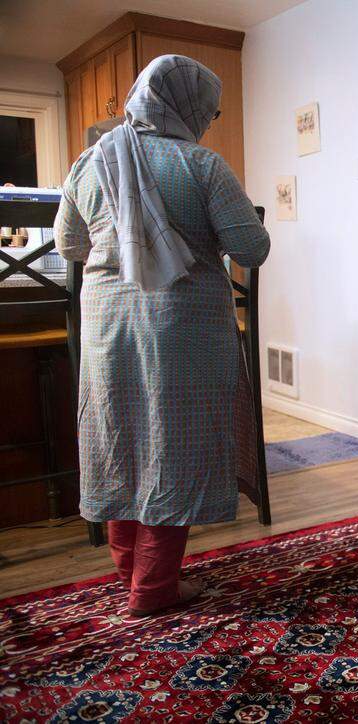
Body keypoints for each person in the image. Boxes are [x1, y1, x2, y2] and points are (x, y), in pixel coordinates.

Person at [53, 55, 270, 616]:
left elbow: (70, 246)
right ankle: (152, 588)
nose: (211, 118)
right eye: (210, 108)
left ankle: (133, 574)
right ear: (187, 105)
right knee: (174, 445)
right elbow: (252, 250)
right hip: (182, 331)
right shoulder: (201, 165)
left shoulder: (90, 162)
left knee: (120, 439)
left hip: (107, 327)